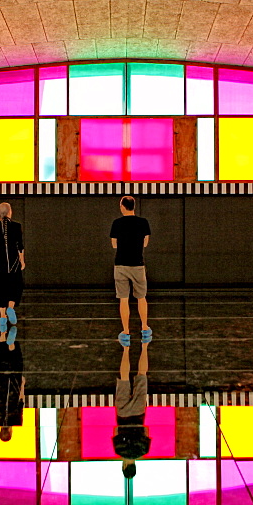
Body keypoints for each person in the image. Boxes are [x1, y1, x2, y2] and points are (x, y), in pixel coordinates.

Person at [110, 196, 152, 346]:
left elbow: (114, 244)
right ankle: (145, 329)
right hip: (138, 264)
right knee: (141, 297)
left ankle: (126, 332)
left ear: (122, 206)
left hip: (121, 264)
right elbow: (145, 243)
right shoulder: (143, 222)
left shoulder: (116, 223)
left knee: (123, 298)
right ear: (133, 206)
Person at [0, 202, 25, 344]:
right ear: (9, 212)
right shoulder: (17, 226)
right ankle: (11, 308)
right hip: (13, 263)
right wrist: (22, 261)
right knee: (14, 286)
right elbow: (20, 246)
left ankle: (2, 318)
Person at [113, 340, 151, 478]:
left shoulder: (143, 450)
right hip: (122, 415)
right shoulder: (119, 450)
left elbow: (146, 430)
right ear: (123, 466)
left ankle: (145, 345)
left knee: (142, 375)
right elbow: (116, 430)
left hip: (138, 414)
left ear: (134, 466)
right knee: (124, 379)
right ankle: (126, 348)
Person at [0, 327, 25, 441]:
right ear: (0, 432)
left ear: (10, 432)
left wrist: (22, 385)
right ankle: (3, 333)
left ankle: (11, 344)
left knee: (15, 360)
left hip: (14, 387)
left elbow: (21, 402)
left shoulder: (17, 421)